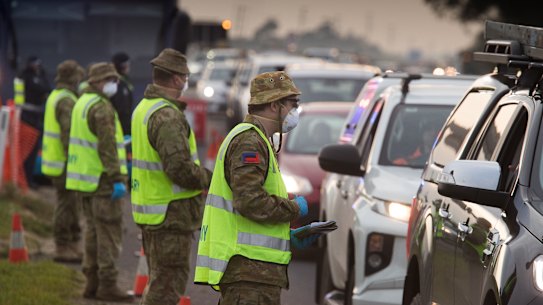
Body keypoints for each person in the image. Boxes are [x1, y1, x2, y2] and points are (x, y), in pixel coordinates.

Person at [194, 71, 319, 304]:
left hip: (254, 273)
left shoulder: (259, 140)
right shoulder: (249, 142)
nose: (295, 113)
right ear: (274, 105)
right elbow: (250, 201)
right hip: (248, 274)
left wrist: (288, 235)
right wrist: (294, 209)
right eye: (292, 105)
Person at [131, 48, 212, 305]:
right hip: (170, 215)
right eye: (185, 77)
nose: (186, 82)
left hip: (154, 211)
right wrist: (210, 179)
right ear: (176, 79)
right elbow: (177, 168)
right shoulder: (166, 116)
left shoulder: (144, 108)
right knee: (166, 288)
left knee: (159, 282)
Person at [65, 62, 133, 302]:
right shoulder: (102, 108)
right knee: (109, 235)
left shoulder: (82, 102)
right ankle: (108, 284)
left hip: (85, 180)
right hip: (104, 181)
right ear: (98, 82)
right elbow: (105, 148)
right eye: (111, 80)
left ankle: (91, 284)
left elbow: (92, 141)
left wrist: (117, 142)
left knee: (93, 233)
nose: (114, 85)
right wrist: (117, 179)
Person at [41, 59, 85, 263]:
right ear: (73, 77)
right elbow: (68, 134)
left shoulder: (56, 95)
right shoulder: (66, 100)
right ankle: (62, 246)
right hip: (64, 161)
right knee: (66, 205)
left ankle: (71, 244)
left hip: (56, 159)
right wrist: (75, 159)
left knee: (69, 203)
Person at [18, 56, 51, 187]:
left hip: (39, 116)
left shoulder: (41, 75)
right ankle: (24, 179)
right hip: (26, 118)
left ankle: (29, 178)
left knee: (34, 149)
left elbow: (47, 89)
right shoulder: (25, 76)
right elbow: (38, 89)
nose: (37, 66)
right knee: (26, 150)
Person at [111, 52, 134, 135]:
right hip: (121, 127)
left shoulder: (125, 80)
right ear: (122, 66)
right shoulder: (116, 83)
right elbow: (122, 109)